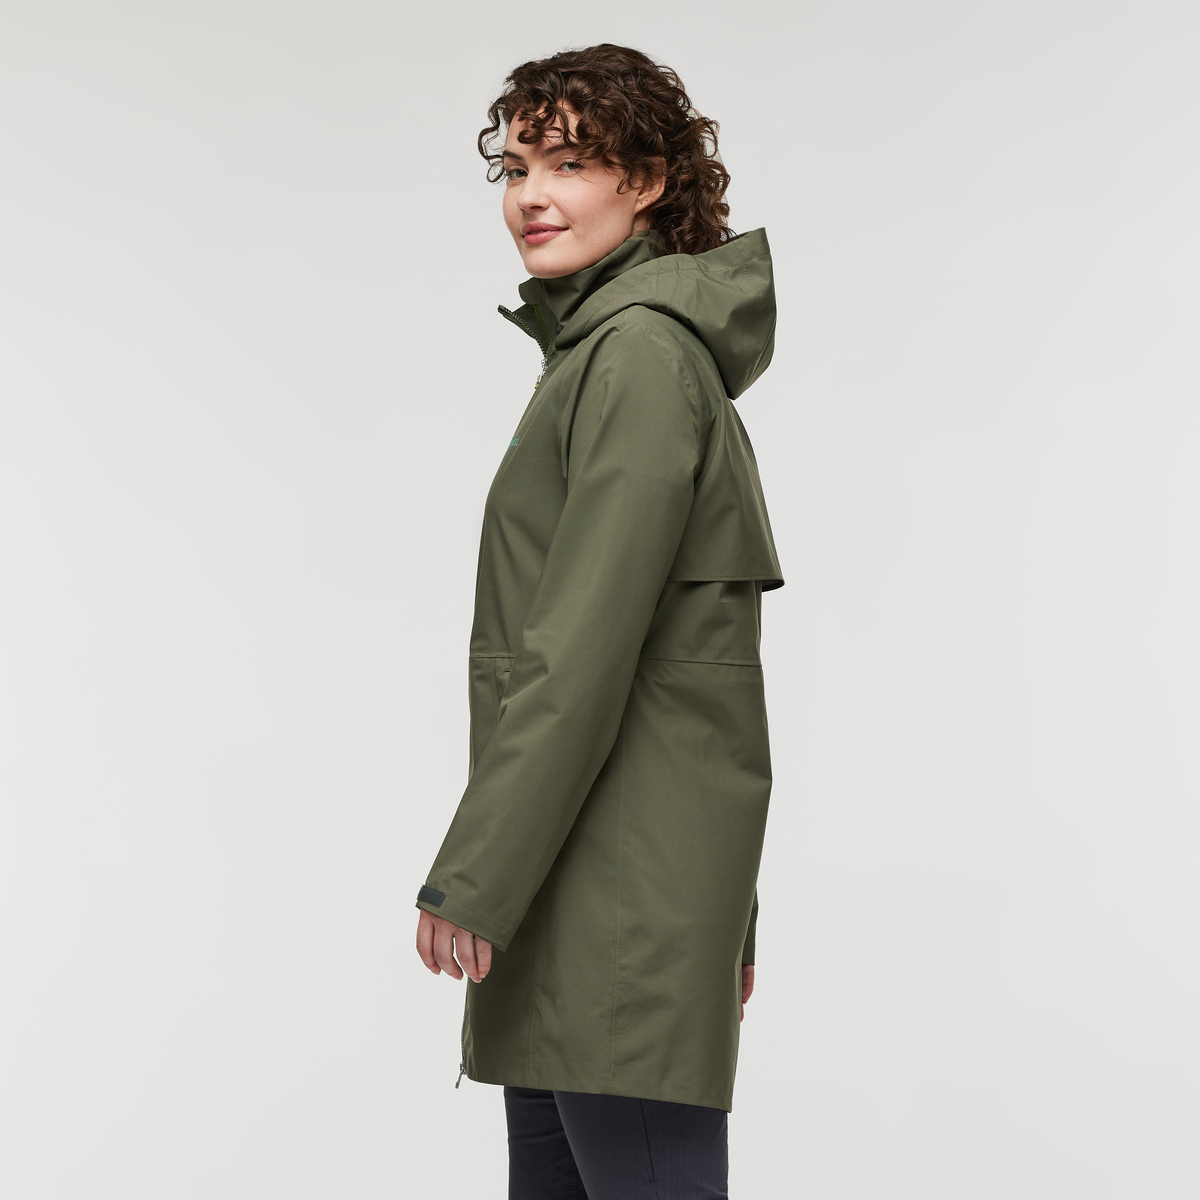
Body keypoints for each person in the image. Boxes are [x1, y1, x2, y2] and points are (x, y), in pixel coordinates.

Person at [414, 43, 783, 1199]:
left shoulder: (634, 359)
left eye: (570, 162)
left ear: (650, 180)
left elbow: (582, 652)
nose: (532, 194)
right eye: (518, 166)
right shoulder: (602, 357)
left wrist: (474, 875)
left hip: (614, 904)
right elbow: (697, 674)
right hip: (577, 891)